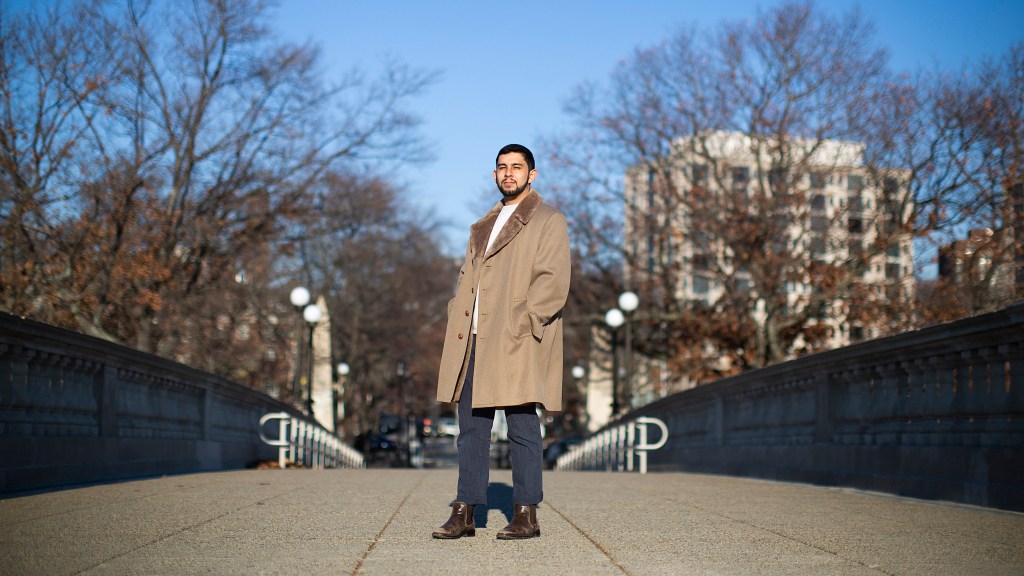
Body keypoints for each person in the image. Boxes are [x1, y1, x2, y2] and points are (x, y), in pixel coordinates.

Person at [431, 144, 571, 540]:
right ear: (494, 175)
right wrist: (456, 310)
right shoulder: (482, 224)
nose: (509, 173)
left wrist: (524, 322)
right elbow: (466, 277)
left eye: (517, 167)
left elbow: (553, 281)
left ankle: (526, 512)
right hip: (472, 340)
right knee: (471, 429)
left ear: (533, 174)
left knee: (523, 427)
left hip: (515, 339)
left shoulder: (548, 219)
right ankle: (465, 510)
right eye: (502, 167)